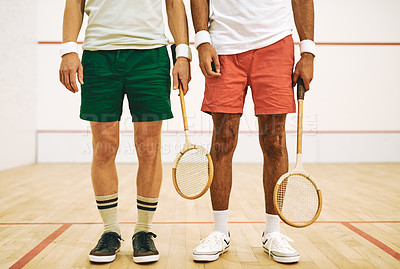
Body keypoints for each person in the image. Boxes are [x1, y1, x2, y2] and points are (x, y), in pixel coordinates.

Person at [59, 0, 191, 264]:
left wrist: (183, 53)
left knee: (149, 146)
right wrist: (68, 50)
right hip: (98, 57)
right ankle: (110, 231)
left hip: (150, 56)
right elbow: (74, 2)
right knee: (104, 145)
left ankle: (143, 231)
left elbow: (175, 4)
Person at [190, 0, 315, 264]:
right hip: (223, 45)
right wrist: (202, 41)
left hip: (276, 44)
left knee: (274, 140)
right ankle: (219, 231)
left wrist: (308, 52)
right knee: (223, 139)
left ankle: (273, 232)